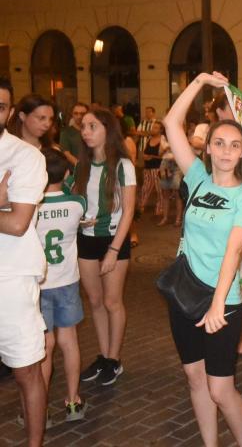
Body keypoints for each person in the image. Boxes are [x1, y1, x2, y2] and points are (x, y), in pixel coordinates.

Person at [163, 71, 242, 447]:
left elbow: (234, 252)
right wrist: (200, 81)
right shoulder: (198, 177)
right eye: (219, 143)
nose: (225, 151)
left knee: (220, 389)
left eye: (234, 145)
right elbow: (171, 122)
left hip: (222, 302)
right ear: (209, 148)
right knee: (194, 379)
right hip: (184, 295)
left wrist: (218, 303)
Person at [0, 77, 48, 447]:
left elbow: (17, 223)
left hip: (11, 278)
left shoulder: (24, 156)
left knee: (26, 369)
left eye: (1, 107)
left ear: (10, 112)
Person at [73, 107, 137, 386]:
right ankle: (102, 356)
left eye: (92, 126)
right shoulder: (81, 165)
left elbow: (129, 211)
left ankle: (114, 359)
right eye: (83, 127)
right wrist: (79, 218)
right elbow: (76, 199)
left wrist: (113, 250)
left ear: (107, 130)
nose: (85, 132)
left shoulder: (124, 165)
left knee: (112, 302)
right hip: (86, 239)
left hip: (114, 239)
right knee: (95, 302)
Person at [36, 149, 89, 422]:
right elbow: (76, 195)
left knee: (44, 345)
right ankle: (72, 401)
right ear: (66, 174)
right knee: (69, 342)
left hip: (38, 283)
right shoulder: (77, 203)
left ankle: (39, 409)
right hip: (67, 281)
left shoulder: (30, 205)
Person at [137, 121, 167, 216]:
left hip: (157, 168)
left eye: (156, 128)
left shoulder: (163, 139)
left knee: (159, 189)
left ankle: (160, 208)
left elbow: (163, 155)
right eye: (153, 127)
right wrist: (145, 156)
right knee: (145, 188)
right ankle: (141, 205)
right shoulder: (149, 139)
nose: (153, 129)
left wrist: (151, 157)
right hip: (148, 168)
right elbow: (145, 152)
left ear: (160, 130)